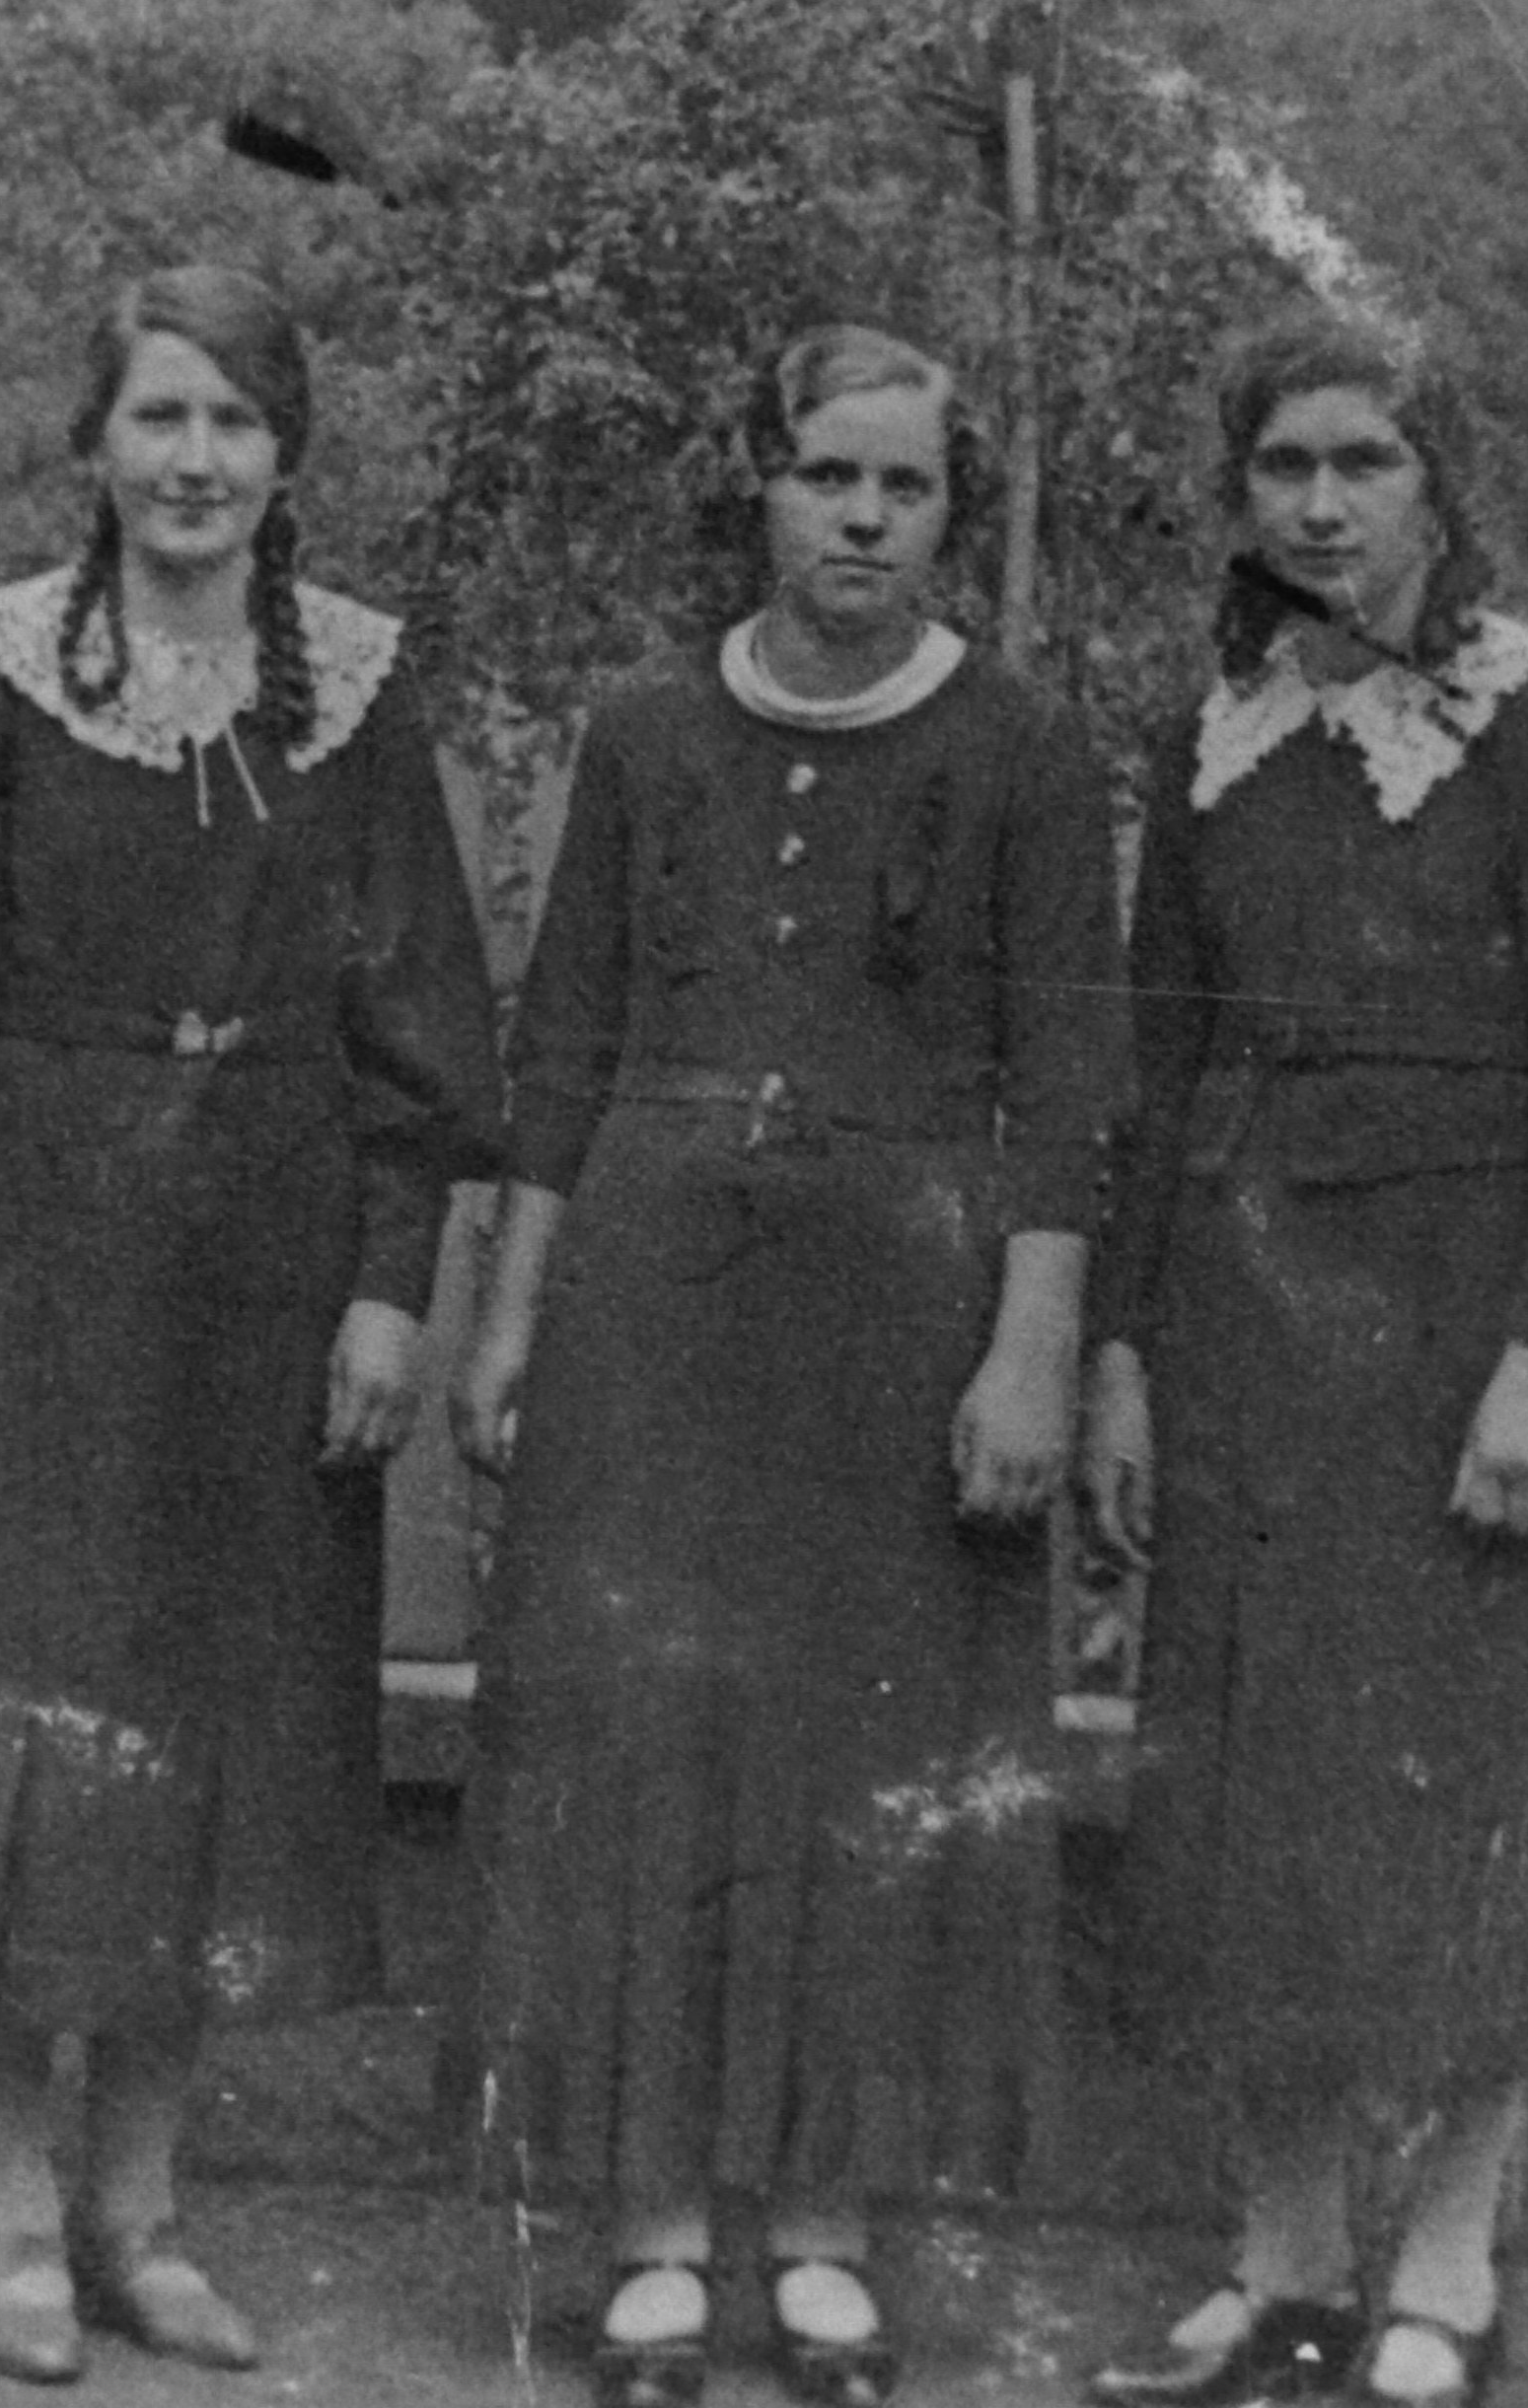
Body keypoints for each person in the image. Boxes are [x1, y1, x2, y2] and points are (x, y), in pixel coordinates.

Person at [0, 264, 503, 2386]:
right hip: (25, 1272)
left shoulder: (353, 691)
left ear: (287, 454)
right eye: (158, 418)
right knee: (15, 1728)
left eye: (234, 423)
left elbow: (419, 1033)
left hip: (264, 1274)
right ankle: (4, 2205)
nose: (194, 463)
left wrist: (387, 1289)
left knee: (217, 1731)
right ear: (94, 446)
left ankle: (142, 2207)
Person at [451, 326, 1128, 2408]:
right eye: (828, 475)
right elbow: (565, 1040)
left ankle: (826, 2227)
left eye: (905, 487)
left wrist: (1033, 1347)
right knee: (647, 1728)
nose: (863, 519)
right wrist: (513, 1315)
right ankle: (651, 2228)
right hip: (652, 1296)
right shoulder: (649, 732)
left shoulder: (1023, 750)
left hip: (903, 1313)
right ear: (758, 485)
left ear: (950, 513)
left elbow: (1068, 1082)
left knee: (859, 1738)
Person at [1077, 300, 1528, 2408]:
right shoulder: (1217, 733)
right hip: (1243, 1317)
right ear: (1239, 494)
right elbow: (1156, 1062)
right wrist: (1124, 1353)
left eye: (1367, 463)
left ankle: (1450, 2262)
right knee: (1248, 1777)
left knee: (1465, 1777)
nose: (1323, 506)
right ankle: (1286, 2255)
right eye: (1285, 467)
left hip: (1454, 1323)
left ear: (1441, 484)